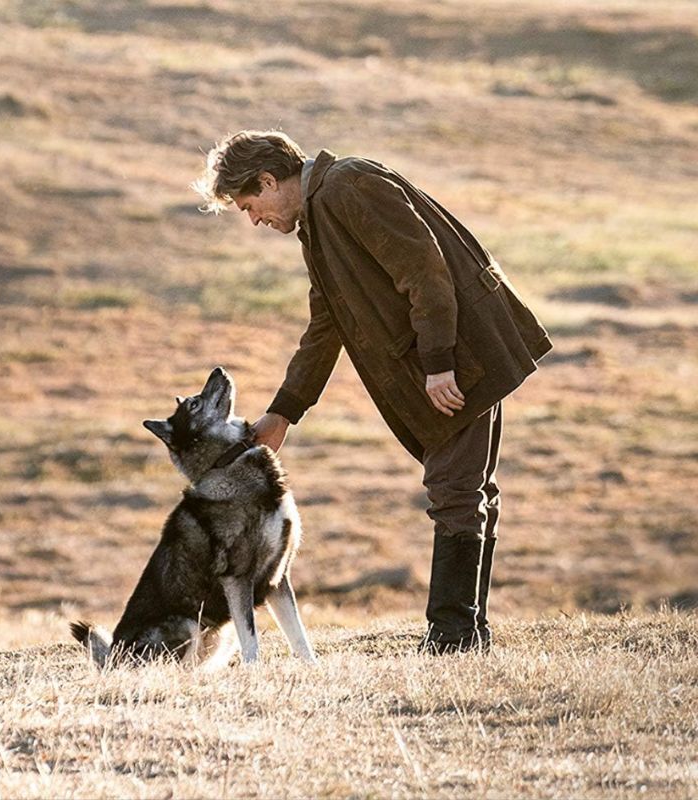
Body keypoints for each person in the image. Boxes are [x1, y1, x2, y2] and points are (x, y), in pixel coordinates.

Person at [192, 130, 552, 654]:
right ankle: (467, 633)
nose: (254, 220)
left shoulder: (349, 186)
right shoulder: (319, 219)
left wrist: (439, 363)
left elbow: (424, 271)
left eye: (250, 206)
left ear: (268, 180)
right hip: (456, 359)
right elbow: (326, 326)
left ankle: (452, 638)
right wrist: (284, 412)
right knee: (467, 490)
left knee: (455, 489)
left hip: (461, 359)